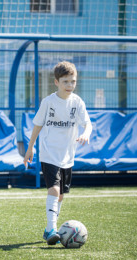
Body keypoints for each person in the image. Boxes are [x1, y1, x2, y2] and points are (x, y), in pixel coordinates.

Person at [23, 61, 92, 245]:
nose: (70, 85)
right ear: (56, 82)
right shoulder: (48, 102)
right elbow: (37, 125)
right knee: (53, 190)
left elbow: (88, 123)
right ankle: (52, 228)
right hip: (49, 154)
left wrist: (86, 133)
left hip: (67, 156)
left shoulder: (77, 102)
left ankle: (47, 231)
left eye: (73, 81)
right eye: (65, 82)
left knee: (60, 195)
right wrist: (30, 148)